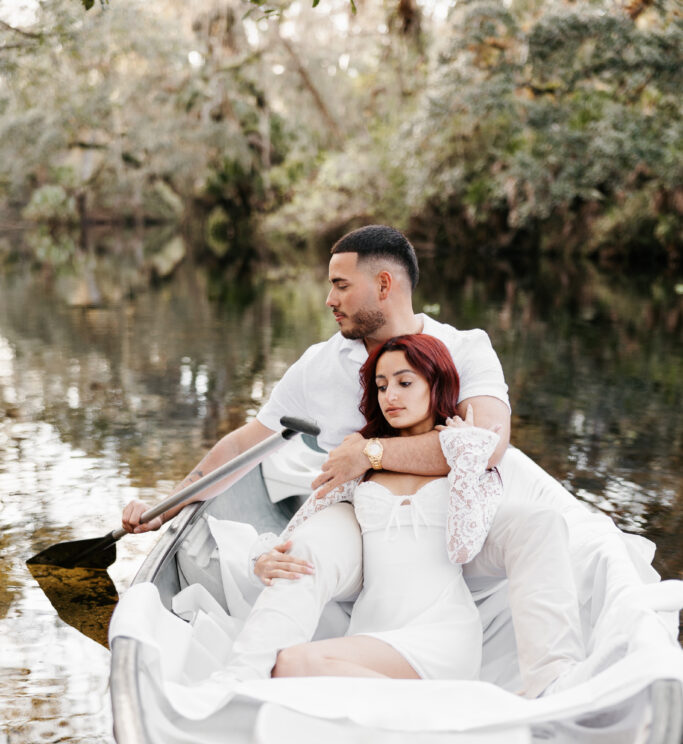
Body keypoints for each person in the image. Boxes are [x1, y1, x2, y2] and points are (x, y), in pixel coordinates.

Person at [122, 224, 585, 695]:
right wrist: (170, 505)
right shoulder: (319, 366)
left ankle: (555, 692)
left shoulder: (464, 348)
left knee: (539, 524)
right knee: (301, 554)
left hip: (455, 515)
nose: (329, 298)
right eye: (331, 285)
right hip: (364, 519)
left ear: (384, 285)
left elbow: (487, 442)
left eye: (341, 284)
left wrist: (370, 453)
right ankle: (238, 682)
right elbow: (246, 445)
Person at [268, 333, 502, 680]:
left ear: (436, 383)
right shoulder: (359, 464)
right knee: (287, 665)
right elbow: (303, 521)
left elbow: (463, 547)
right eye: (380, 386)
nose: (390, 396)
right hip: (371, 633)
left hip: (442, 634)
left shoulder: (467, 460)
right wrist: (264, 556)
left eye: (404, 382)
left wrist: (465, 453)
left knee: (291, 665)